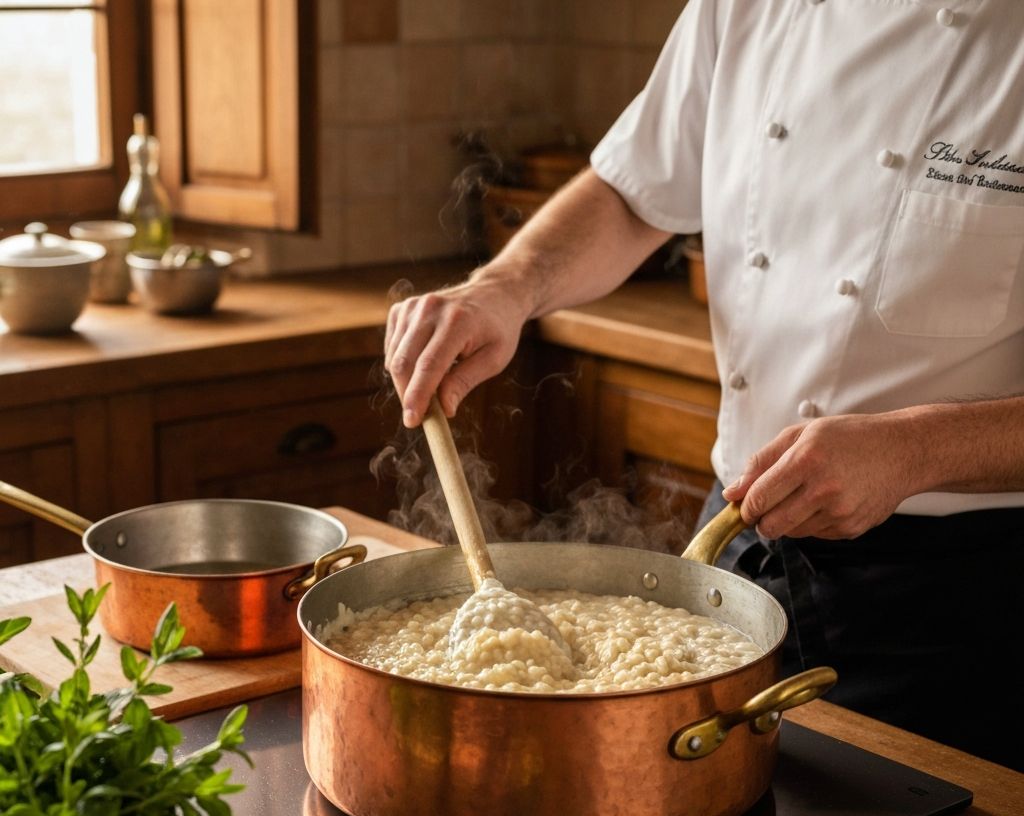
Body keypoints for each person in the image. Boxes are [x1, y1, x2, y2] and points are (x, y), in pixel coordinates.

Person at [384, 0, 1024, 772]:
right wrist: (506, 286)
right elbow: (632, 192)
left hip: (962, 598)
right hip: (744, 549)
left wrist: (914, 450)